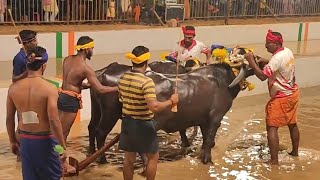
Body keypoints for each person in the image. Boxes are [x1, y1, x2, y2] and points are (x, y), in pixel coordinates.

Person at [6, 46, 70, 179]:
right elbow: (54, 120)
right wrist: (63, 147)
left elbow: (9, 119)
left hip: (25, 141)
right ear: (44, 66)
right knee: (54, 176)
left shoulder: (13, 89)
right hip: (47, 140)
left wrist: (12, 141)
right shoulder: (49, 89)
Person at [118, 45, 179, 180]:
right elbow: (154, 107)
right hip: (143, 124)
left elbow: (121, 99)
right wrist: (171, 101)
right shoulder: (147, 82)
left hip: (127, 122)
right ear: (146, 62)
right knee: (153, 157)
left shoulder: (123, 78)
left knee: (128, 159)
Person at [244, 30, 300, 165]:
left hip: (282, 97)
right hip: (293, 93)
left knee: (271, 127)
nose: (265, 45)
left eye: (268, 43)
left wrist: (251, 61)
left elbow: (263, 77)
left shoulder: (276, 59)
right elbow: (279, 64)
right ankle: (295, 152)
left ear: (275, 44)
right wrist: (266, 61)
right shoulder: (287, 51)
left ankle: (274, 161)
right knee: (292, 123)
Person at [58, 36, 118, 140]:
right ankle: (58, 154)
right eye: (92, 48)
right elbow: (100, 89)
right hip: (71, 101)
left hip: (62, 96)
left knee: (59, 129)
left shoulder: (67, 59)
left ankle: (55, 152)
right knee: (64, 132)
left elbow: (71, 82)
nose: (92, 51)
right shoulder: (85, 68)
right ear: (86, 50)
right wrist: (118, 88)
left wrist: (87, 85)